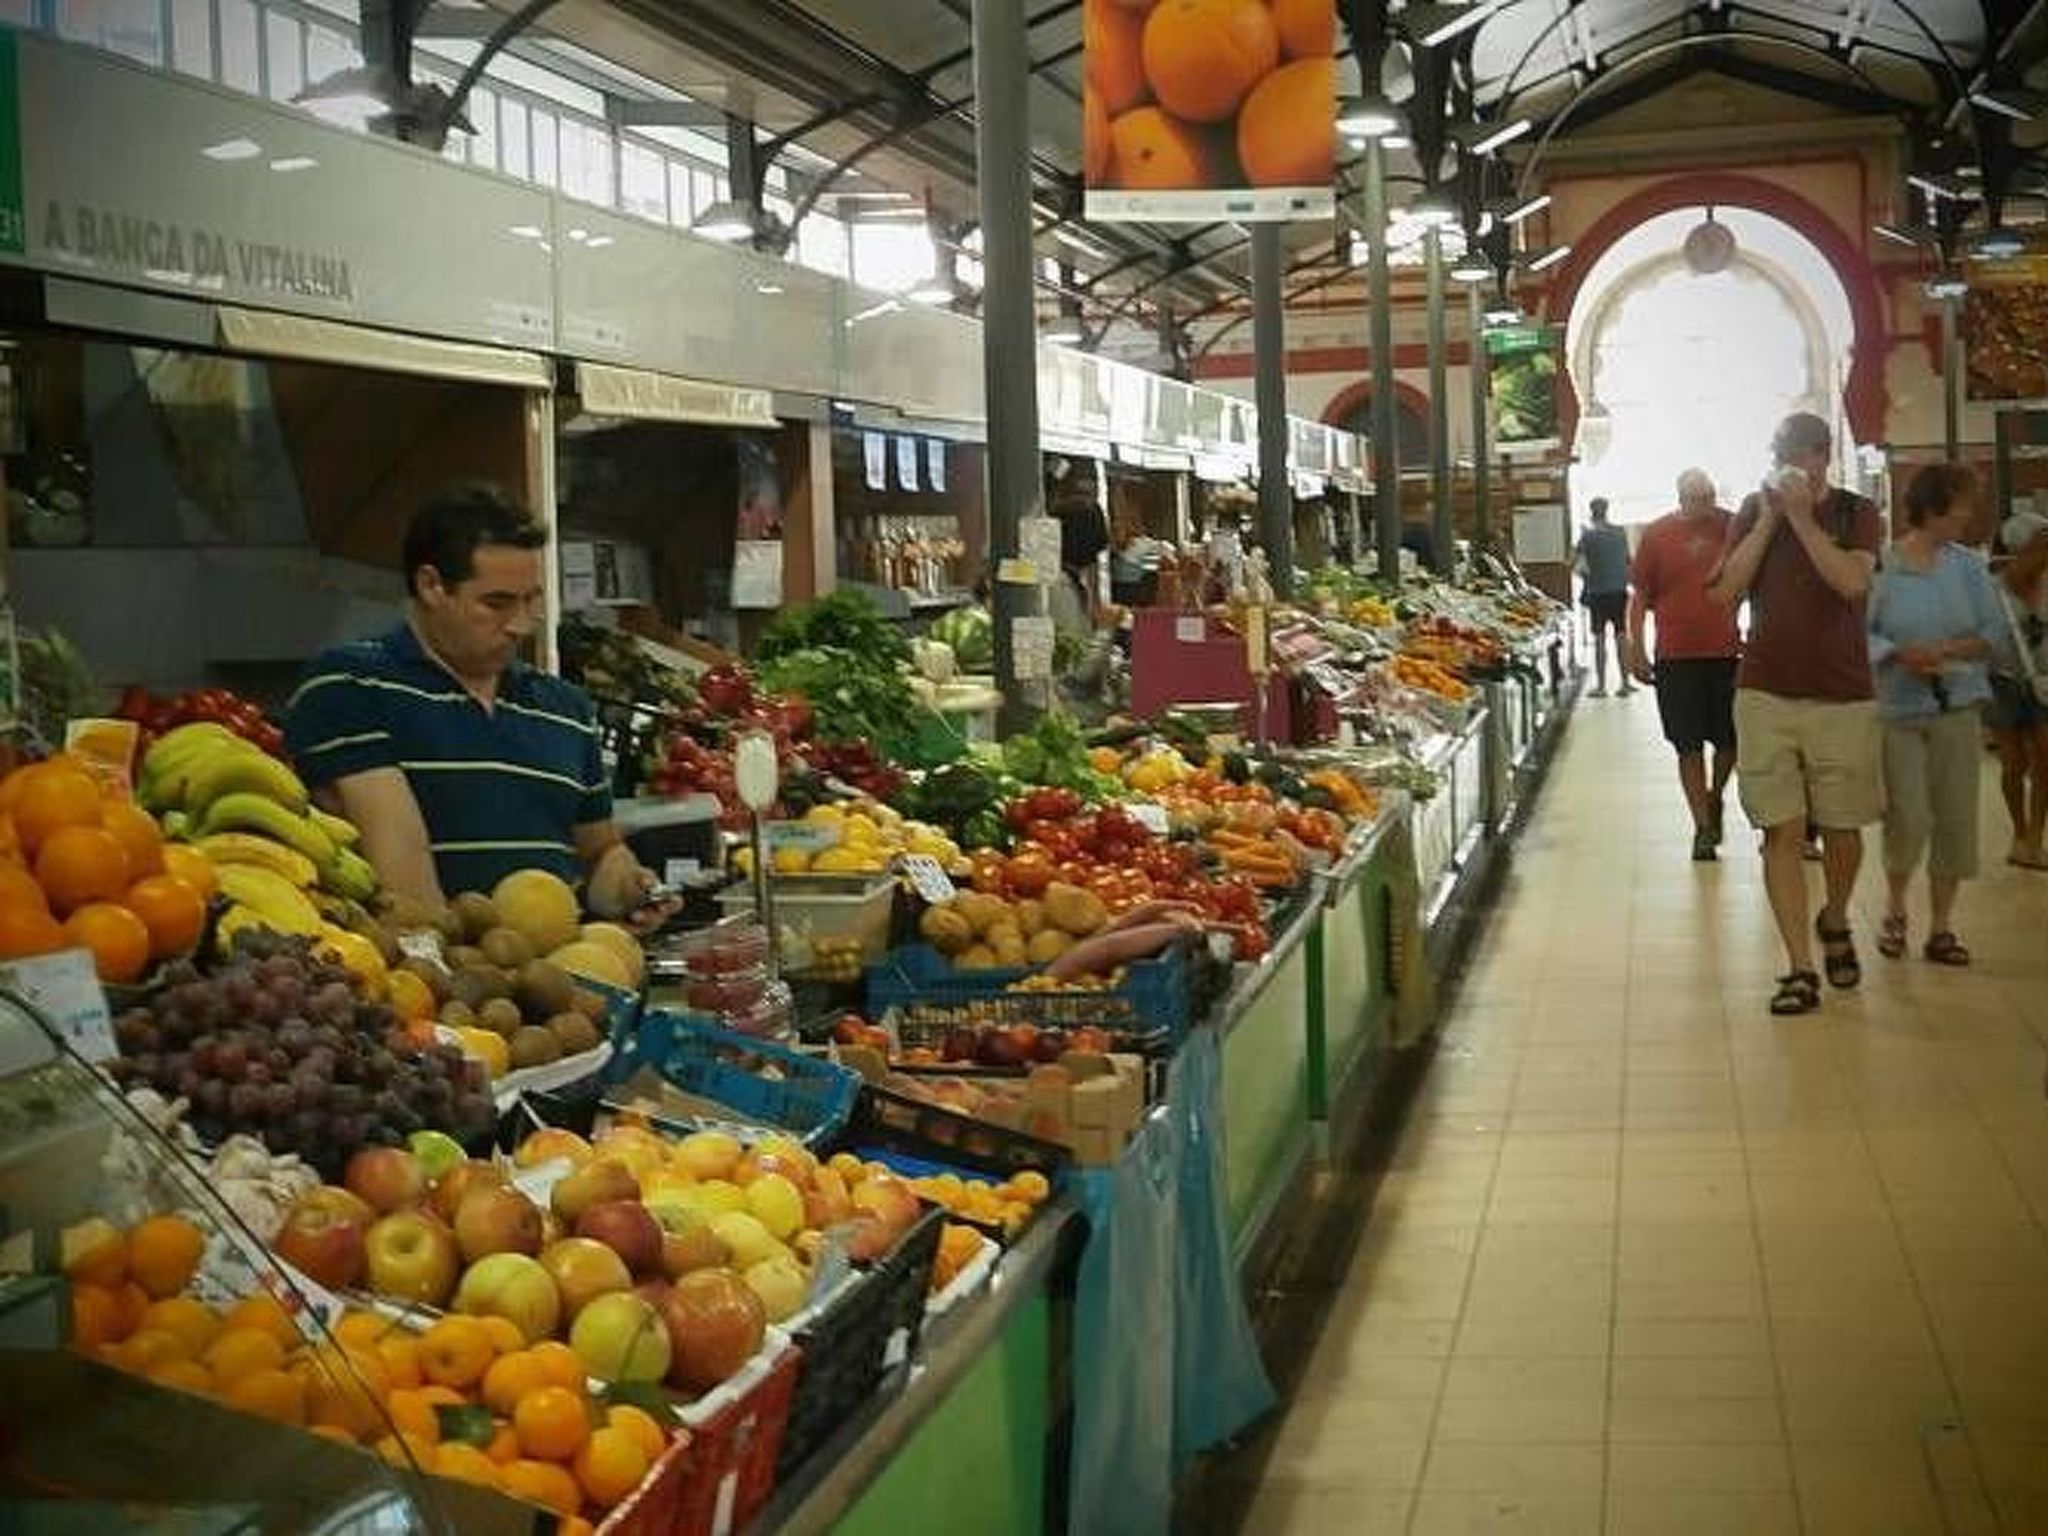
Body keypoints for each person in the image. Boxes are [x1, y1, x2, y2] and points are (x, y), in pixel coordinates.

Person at [284, 483, 661, 917]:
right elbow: (401, 875)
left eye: (532, 600)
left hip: (561, 974)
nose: (521, 624)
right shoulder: (351, 685)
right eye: (497, 603)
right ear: (431, 586)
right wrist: (464, 971)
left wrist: (630, 889)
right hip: (429, 977)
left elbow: (599, 854)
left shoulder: (567, 709)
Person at [1709, 411, 1884, 1016]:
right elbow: (1726, 593)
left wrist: (1805, 519)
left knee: (1842, 828)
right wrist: (1767, 523)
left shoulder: (1855, 514)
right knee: (1779, 830)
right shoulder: (1753, 514)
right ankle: (1799, 967)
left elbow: (1849, 584)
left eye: (1800, 453)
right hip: (1764, 691)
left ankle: (1834, 916)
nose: (1790, 464)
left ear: (1823, 455)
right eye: (1779, 452)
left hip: (1842, 694)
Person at [1866, 464, 2008, 966]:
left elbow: (1994, 633)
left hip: (1957, 705)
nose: (1967, 516)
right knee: (1908, 814)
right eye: (1960, 505)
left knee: (1954, 816)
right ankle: (1895, 907)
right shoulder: (1885, 567)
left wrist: (1948, 649)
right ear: (1932, 509)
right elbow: (1863, 633)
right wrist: (1899, 654)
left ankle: (1943, 925)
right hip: (1899, 709)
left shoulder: (1968, 568)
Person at [1626, 469, 1741, 862]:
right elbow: (1639, 596)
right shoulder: (1657, 536)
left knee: (1730, 742)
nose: (1705, 506)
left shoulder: (1731, 526)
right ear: (1680, 499)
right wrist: (1636, 648)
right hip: (1676, 656)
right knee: (1687, 744)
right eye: (1697, 499)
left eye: (1709, 497)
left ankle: (1715, 796)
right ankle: (1702, 826)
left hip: (1726, 652)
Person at [1989, 508, 2048, 868]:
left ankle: (2035, 841)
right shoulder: (1994, 591)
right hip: (2002, 680)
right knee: (2013, 763)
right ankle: (2020, 833)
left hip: (2044, 683)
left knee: (2045, 758)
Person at [1575, 497, 1633, 696]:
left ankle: (1600, 686)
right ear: (1606, 511)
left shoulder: (1587, 536)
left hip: (1597, 593)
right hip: (1619, 591)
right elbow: (1628, 561)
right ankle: (1625, 683)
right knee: (1622, 635)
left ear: (1592, 513)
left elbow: (1574, 563)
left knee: (1599, 638)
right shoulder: (1619, 533)